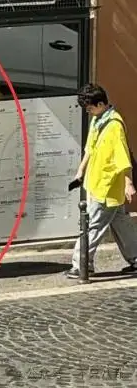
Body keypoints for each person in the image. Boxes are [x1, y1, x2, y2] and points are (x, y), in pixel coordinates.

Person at [66, 83, 137, 279]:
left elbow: (123, 157)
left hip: (107, 186)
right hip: (97, 183)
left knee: (93, 226)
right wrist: (80, 171)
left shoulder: (114, 126)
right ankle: (136, 258)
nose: (88, 112)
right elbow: (90, 149)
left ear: (100, 104)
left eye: (89, 108)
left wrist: (128, 183)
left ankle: (81, 265)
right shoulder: (97, 121)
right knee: (121, 223)